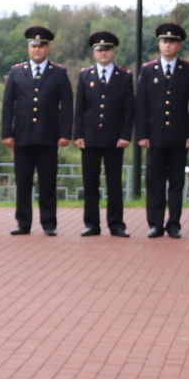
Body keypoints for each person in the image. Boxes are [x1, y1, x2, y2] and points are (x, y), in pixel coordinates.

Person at [3, 24, 72, 235]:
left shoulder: (59, 73)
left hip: (48, 136)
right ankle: (23, 223)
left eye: (41, 46)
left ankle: (49, 223)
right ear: (28, 48)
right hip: (22, 136)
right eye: (34, 46)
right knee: (23, 182)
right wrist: (7, 133)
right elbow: (8, 104)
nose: (37, 50)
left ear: (47, 48)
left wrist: (65, 133)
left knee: (47, 183)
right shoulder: (16, 72)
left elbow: (67, 106)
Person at [136, 22, 189, 237]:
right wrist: (142, 134)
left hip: (179, 137)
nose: (168, 45)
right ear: (159, 44)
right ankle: (155, 223)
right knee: (154, 181)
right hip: (154, 137)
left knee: (176, 182)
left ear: (178, 45)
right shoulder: (148, 70)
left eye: (172, 42)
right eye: (164, 41)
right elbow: (141, 104)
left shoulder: (188, 70)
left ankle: (174, 223)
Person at [74, 32, 136, 237]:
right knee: (90, 184)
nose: (103, 53)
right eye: (99, 50)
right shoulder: (85, 75)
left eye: (107, 49)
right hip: (90, 138)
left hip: (114, 139)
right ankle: (92, 224)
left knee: (114, 184)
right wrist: (78, 134)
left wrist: (125, 135)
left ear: (113, 51)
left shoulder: (124, 76)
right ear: (94, 52)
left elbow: (129, 109)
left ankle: (116, 224)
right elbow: (79, 108)